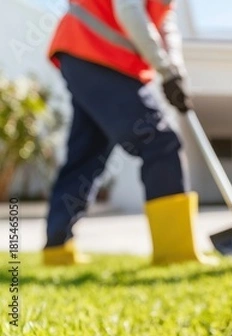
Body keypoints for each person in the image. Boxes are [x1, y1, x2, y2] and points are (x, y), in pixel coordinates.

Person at [44, 0, 205, 266]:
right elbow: (128, 9)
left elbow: (166, 25)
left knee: (87, 152)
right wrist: (164, 70)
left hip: (85, 54)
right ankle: (175, 251)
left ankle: (57, 248)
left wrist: (175, 71)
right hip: (94, 49)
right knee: (159, 140)